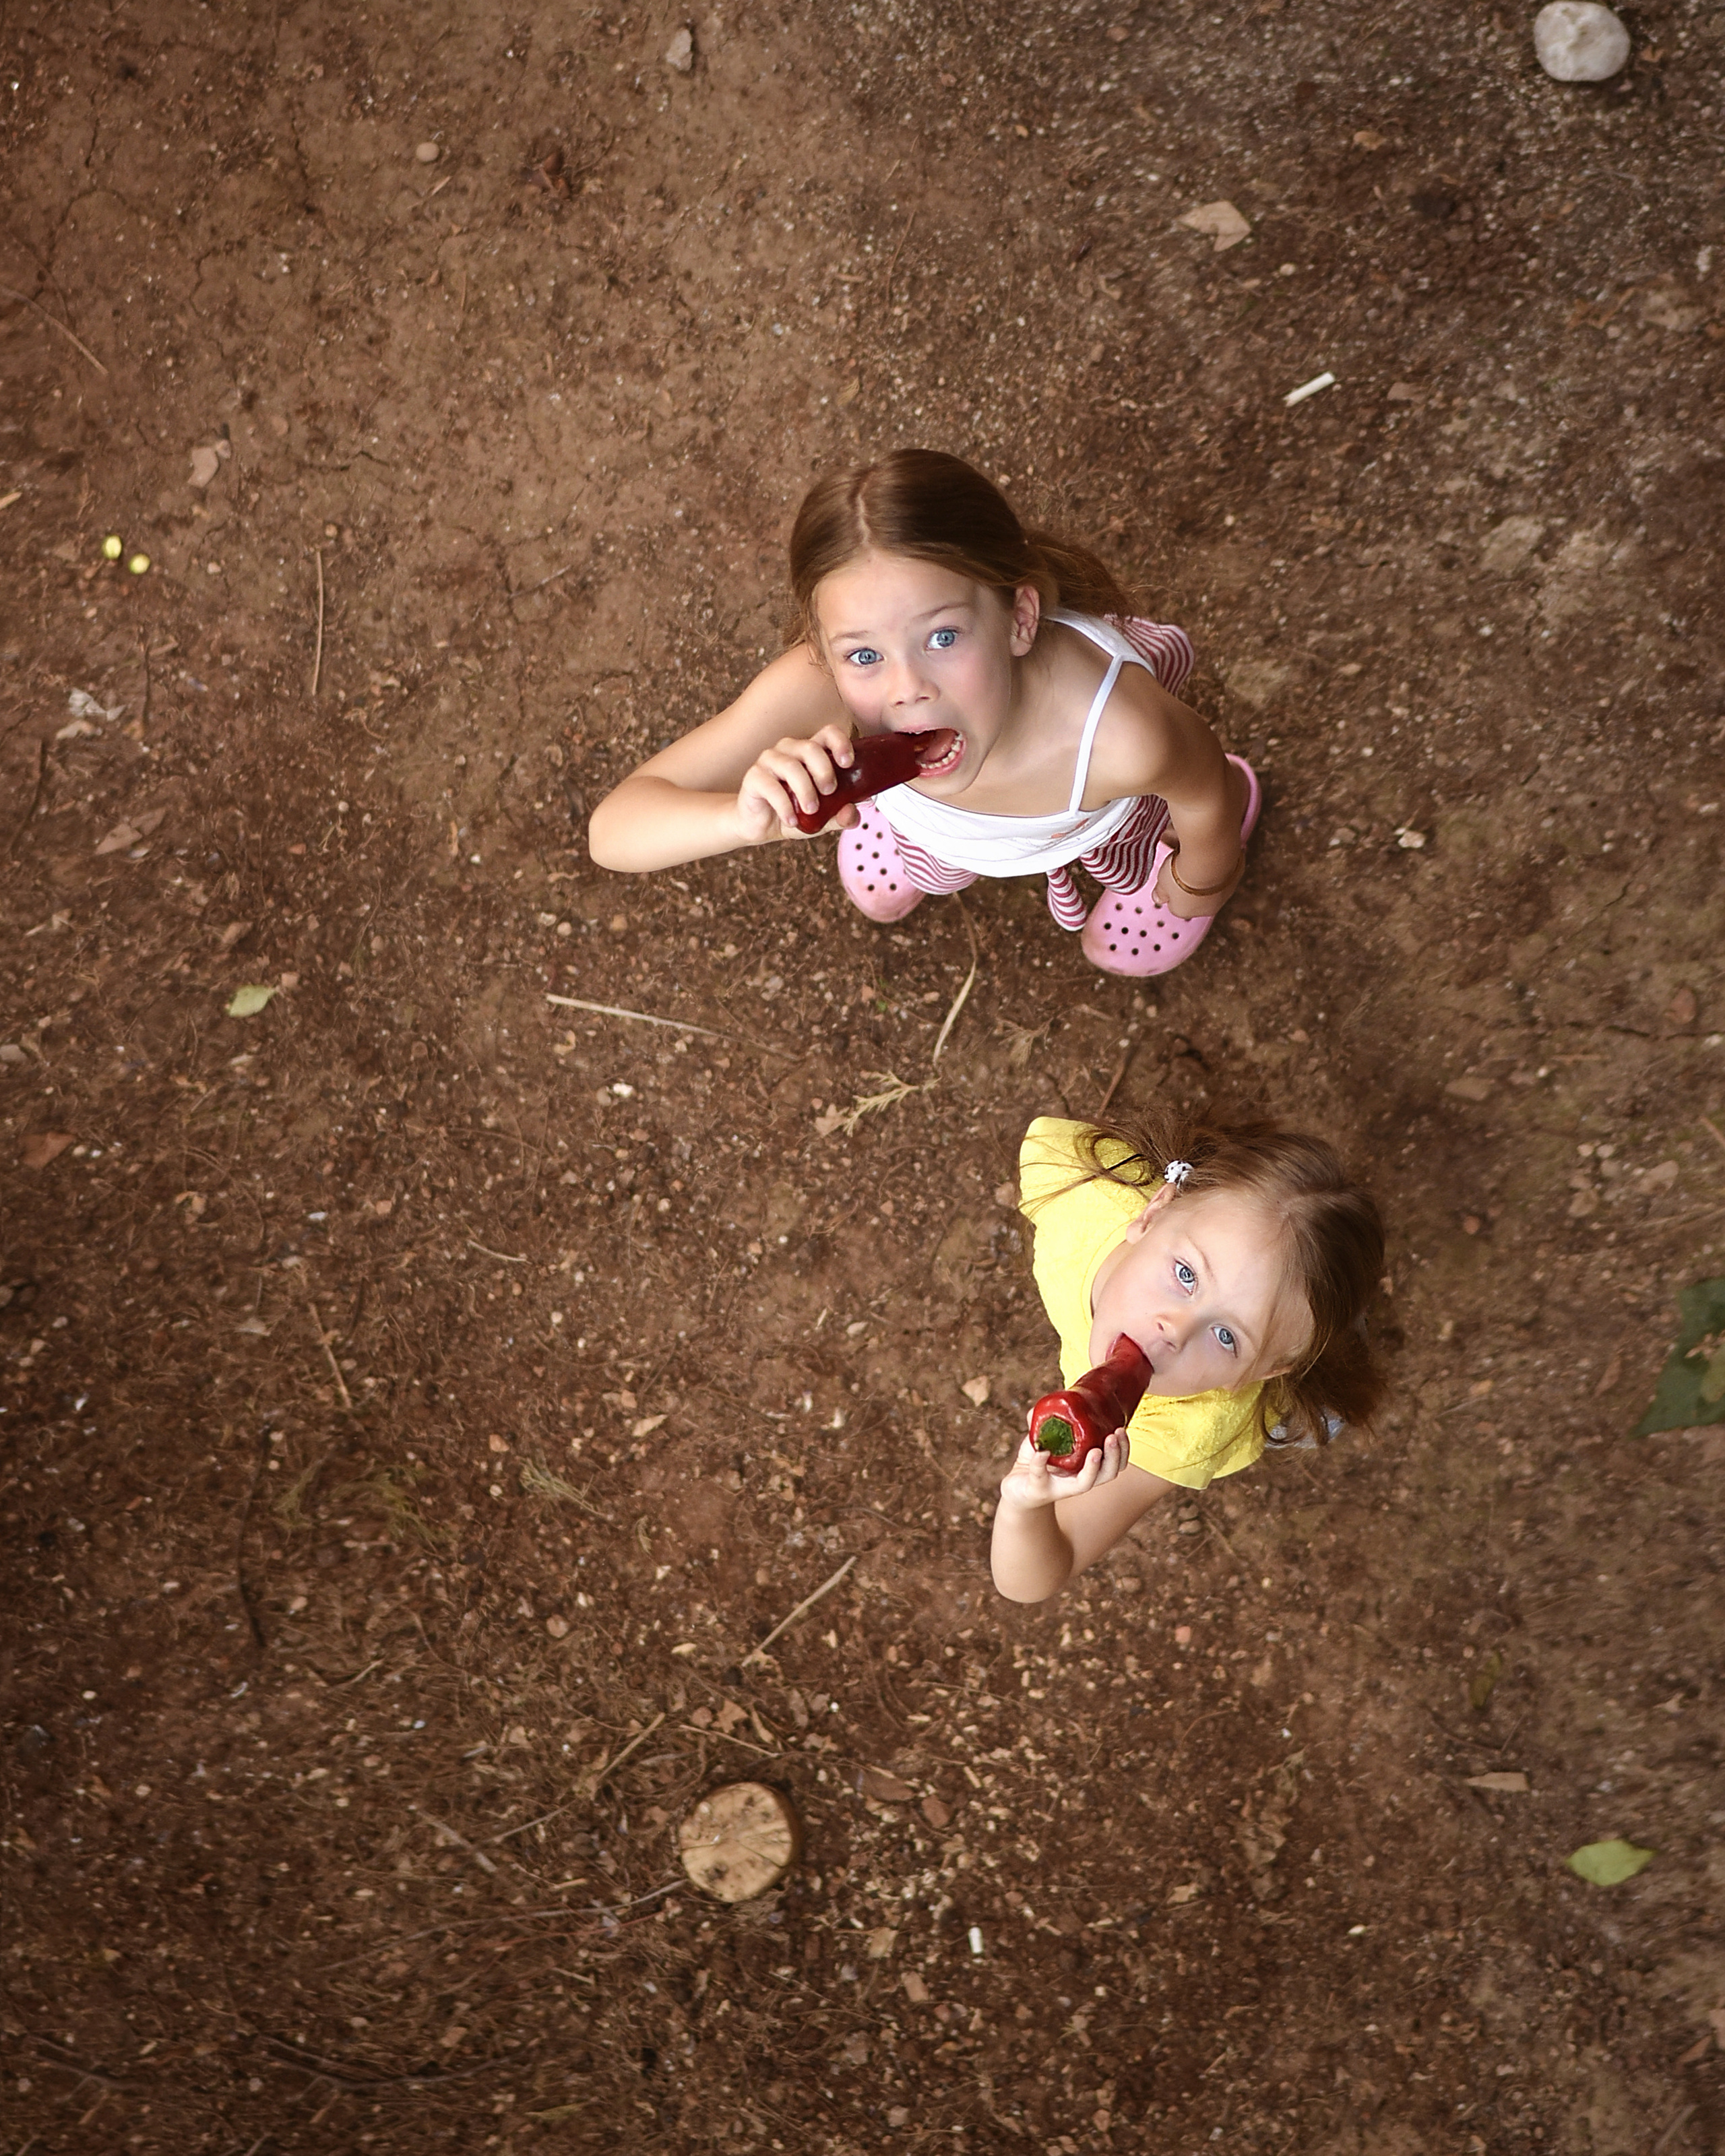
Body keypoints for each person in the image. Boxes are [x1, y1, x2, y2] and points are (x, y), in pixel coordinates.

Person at [587, 449, 1258, 976]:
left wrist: (1203, 875)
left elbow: (1201, 790)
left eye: (942, 637)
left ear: (1018, 620)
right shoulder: (819, 688)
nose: (907, 689)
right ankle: (916, 847)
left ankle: (1156, 874)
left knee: (1162, 850)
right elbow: (613, 831)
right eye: (863, 655)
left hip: (1085, 828)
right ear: (822, 650)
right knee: (928, 847)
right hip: (934, 828)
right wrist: (737, 818)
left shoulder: (1120, 737)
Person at [989, 1110, 1385, 1604]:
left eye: (1225, 1336)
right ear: (1152, 1212)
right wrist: (1025, 1501)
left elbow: (1037, 1576)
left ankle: (1333, 1328)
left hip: (1279, 1389)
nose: (1174, 1331)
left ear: (1263, 1371)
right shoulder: (1079, 1187)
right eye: (1185, 1274)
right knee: (1304, 1297)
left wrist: (1023, 1507)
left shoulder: (1189, 1427)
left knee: (1318, 1417)